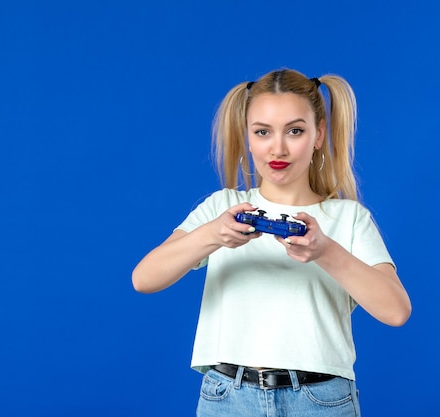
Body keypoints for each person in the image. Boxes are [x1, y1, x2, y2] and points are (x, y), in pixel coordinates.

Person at [132, 68, 411, 416]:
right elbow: (144, 278)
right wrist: (212, 234)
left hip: (321, 400)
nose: (277, 147)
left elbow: (396, 311)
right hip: (228, 398)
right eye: (262, 132)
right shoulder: (221, 209)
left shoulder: (348, 218)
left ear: (319, 135)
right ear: (247, 137)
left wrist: (325, 251)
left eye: (295, 131)